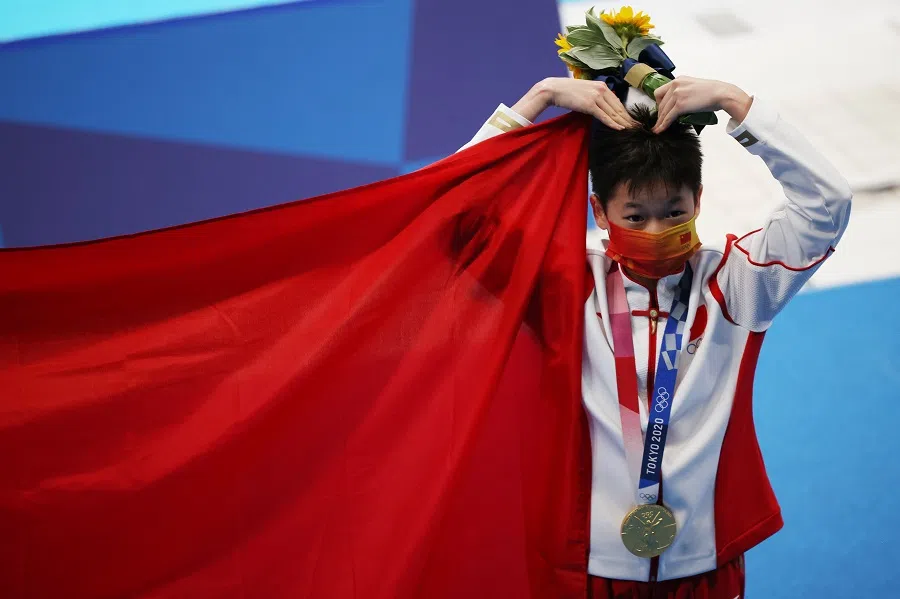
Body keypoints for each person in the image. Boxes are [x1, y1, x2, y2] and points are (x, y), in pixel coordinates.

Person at [461, 76, 852, 598]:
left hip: (706, 563)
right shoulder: (563, 290)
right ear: (600, 213)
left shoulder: (735, 285)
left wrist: (738, 105)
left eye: (673, 213)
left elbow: (827, 205)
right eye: (634, 217)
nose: (655, 231)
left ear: (698, 202)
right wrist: (535, 102)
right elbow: (460, 221)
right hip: (585, 565)